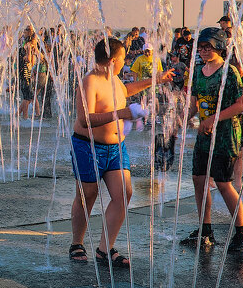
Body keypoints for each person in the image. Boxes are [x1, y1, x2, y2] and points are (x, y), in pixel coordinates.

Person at [69, 38, 172, 267]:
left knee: (124, 193)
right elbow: (84, 120)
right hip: (88, 147)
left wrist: (157, 80)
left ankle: (105, 250)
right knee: (88, 196)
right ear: (113, 60)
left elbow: (127, 89)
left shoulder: (113, 79)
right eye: (124, 58)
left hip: (115, 148)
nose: (125, 62)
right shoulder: (90, 81)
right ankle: (77, 243)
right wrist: (122, 113)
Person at [180, 28, 243, 251]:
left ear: (219, 47)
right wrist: (182, 118)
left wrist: (213, 120)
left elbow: (240, 105)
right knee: (199, 180)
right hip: (204, 136)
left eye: (207, 47)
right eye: (201, 48)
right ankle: (205, 228)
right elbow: (193, 104)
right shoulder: (198, 71)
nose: (203, 51)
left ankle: (241, 231)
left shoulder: (229, 72)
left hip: (225, 136)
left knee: (223, 183)